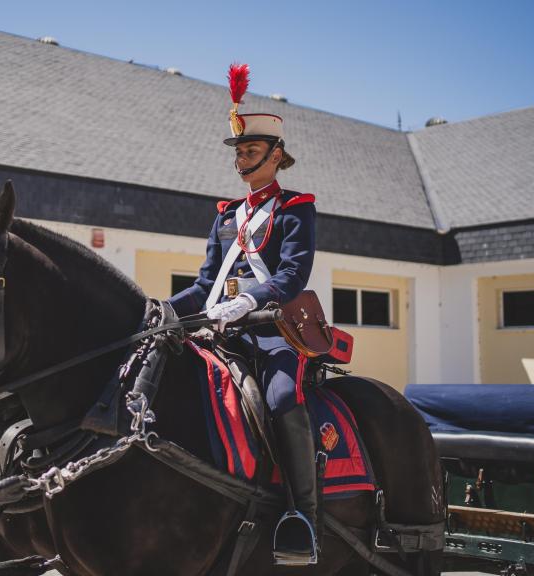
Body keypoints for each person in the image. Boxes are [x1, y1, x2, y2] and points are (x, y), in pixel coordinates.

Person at [166, 63, 319, 565]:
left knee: (280, 397)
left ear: (277, 155)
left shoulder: (296, 207)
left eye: (251, 151)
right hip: (218, 332)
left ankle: (303, 518)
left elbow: (293, 274)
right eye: (239, 152)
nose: (242, 160)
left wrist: (250, 301)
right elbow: (205, 285)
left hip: (273, 333)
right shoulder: (226, 216)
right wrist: (164, 309)